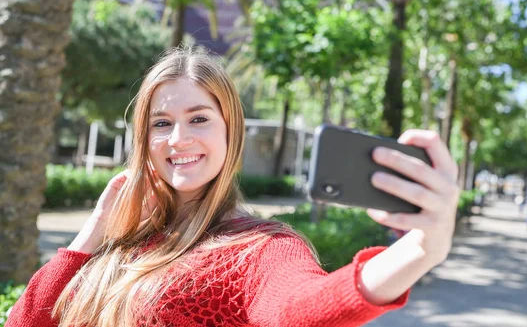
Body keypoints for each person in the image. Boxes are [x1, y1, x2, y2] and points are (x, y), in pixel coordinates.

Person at [7, 46, 459, 327]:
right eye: (162, 123)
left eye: (199, 119)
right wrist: (93, 234)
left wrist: (421, 251)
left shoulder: (259, 248)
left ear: (231, 131)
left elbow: (298, 309)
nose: (178, 139)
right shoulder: (122, 238)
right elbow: (26, 323)